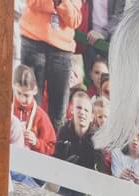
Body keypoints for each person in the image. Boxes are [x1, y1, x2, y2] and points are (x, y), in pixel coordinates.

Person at [19, 0, 83, 131]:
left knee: (58, 115)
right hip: (33, 42)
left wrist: (60, 2)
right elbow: (31, 2)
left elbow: (75, 20)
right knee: (29, 106)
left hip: (62, 51)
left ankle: (55, 149)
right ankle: (27, 148)